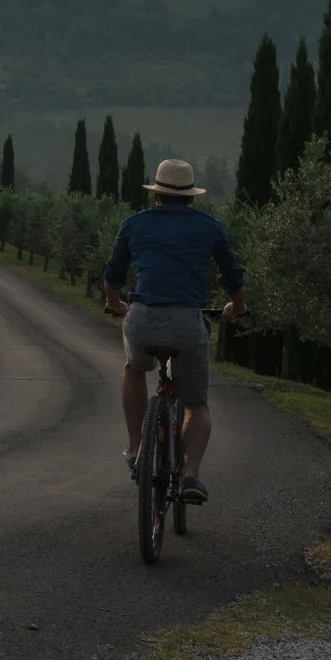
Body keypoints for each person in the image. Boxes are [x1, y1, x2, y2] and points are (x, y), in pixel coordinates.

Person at [102, 157, 246, 504]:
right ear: (191, 197)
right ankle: (191, 475)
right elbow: (232, 275)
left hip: (143, 318)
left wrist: (115, 303)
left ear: (156, 194)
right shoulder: (208, 227)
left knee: (134, 369)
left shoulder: (134, 224)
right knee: (196, 403)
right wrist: (236, 307)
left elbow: (113, 274)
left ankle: (137, 448)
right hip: (186, 321)